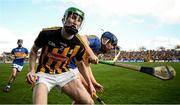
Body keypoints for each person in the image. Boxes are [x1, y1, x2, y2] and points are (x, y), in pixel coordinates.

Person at [26, 7, 95, 104]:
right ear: (64, 19)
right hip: (43, 74)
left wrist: (90, 84)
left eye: (79, 21)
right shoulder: (47, 33)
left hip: (64, 73)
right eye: (73, 18)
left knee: (89, 102)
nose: (75, 22)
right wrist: (32, 70)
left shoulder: (79, 44)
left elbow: (80, 64)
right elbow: (33, 51)